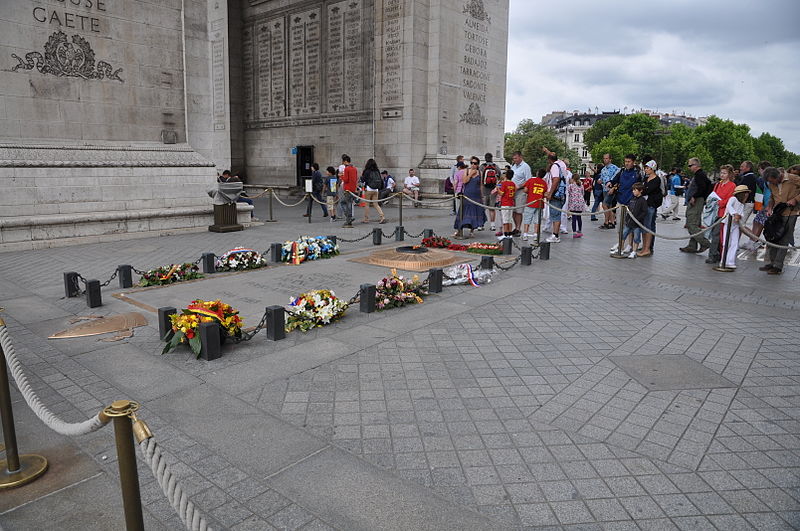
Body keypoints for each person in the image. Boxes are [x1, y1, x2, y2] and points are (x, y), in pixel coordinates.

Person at [759, 166, 800, 275]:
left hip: (791, 212)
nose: (772, 183)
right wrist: (769, 207)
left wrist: (795, 199)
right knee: (772, 237)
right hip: (777, 213)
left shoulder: (793, 178)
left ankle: (778, 266)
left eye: (772, 181)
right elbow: (772, 197)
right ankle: (771, 263)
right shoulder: (771, 183)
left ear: (778, 176)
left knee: (784, 239)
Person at [680, 157, 712, 253]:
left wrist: (695, 196)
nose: (689, 167)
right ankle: (692, 245)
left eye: (690, 165)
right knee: (695, 223)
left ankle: (705, 243)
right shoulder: (700, 175)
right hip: (697, 200)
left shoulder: (699, 175)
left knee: (691, 224)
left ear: (696, 165)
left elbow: (703, 187)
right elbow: (708, 184)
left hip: (696, 201)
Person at [705, 165, 736, 264]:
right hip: (715, 211)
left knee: (716, 234)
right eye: (721, 173)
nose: (722, 175)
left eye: (724, 173)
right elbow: (713, 195)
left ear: (729, 174)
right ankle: (716, 253)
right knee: (715, 233)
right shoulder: (718, 184)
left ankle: (713, 254)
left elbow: (731, 198)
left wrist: (721, 203)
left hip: (723, 212)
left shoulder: (732, 185)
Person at [717, 185, 749, 269]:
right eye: (745, 193)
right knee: (726, 242)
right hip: (728, 223)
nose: (747, 195)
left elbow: (741, 214)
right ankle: (723, 260)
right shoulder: (733, 199)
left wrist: (739, 217)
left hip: (735, 225)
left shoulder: (742, 204)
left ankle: (730, 261)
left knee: (734, 242)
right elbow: (729, 206)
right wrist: (734, 214)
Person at [453, 158, 486, 239]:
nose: (473, 165)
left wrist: (482, 196)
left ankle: (472, 231)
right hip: (467, 195)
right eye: (472, 163)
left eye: (475, 163)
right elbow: (464, 181)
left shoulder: (480, 173)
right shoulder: (466, 171)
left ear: (478, 164)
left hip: (476, 195)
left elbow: (481, 185)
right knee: (463, 212)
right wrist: (470, 174)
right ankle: (459, 230)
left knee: (474, 213)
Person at [611, 182, 646, 259]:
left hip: (637, 223)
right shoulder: (632, 199)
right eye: (633, 190)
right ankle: (620, 249)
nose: (633, 191)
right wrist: (627, 218)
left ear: (640, 191)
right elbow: (629, 209)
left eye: (635, 190)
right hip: (629, 222)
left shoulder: (642, 200)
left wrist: (638, 219)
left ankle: (634, 251)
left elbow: (644, 212)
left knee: (636, 238)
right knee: (623, 236)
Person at [638, 160, 663, 257]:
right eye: (645, 168)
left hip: (651, 204)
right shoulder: (646, 178)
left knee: (647, 226)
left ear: (653, 169)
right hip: (645, 204)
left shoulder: (656, 179)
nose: (646, 170)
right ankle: (645, 246)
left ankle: (647, 248)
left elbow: (647, 190)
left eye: (648, 168)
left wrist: (642, 190)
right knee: (646, 226)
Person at [544, 153, 567, 243]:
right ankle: (555, 233)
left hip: (556, 194)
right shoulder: (562, 164)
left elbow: (556, 179)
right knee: (557, 215)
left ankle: (555, 235)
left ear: (549, 160)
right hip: (562, 194)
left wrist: (550, 193)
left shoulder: (554, 167)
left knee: (555, 215)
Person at [521, 168, 547, 242]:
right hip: (539, 204)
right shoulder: (544, 183)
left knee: (527, 219)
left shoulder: (531, 180)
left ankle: (525, 234)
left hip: (530, 203)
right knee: (537, 220)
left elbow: (525, 190)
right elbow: (545, 193)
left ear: (537, 173)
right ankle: (536, 235)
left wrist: (529, 192)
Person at [491, 169, 517, 240]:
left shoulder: (504, 183)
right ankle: (510, 233)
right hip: (511, 202)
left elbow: (501, 193)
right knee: (510, 219)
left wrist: (497, 188)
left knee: (505, 219)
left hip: (505, 203)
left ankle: (505, 233)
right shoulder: (513, 184)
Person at [360, 159, 386, 224]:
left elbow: (363, 180)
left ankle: (366, 219)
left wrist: (361, 177)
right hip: (376, 189)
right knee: (376, 204)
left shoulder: (367, 171)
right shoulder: (377, 170)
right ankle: (382, 216)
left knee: (367, 204)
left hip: (369, 189)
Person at [479, 153, 500, 231]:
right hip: (493, 190)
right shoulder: (495, 167)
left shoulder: (482, 166)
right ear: (492, 158)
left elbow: (480, 178)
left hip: (484, 189)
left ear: (485, 158)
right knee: (492, 208)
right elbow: (499, 177)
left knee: (483, 208)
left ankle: (481, 225)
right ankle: (493, 225)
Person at [600, 154, 620, 229]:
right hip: (605, 189)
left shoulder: (615, 168)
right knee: (609, 206)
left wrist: (614, 187)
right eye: (604, 158)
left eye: (607, 158)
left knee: (604, 205)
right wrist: (600, 181)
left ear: (610, 159)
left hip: (611, 189)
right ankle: (612, 221)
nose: (605, 160)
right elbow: (602, 179)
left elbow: (618, 178)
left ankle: (606, 222)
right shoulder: (603, 169)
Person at [339, 154, 358, 227]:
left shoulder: (347, 169)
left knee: (344, 202)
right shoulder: (354, 168)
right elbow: (355, 179)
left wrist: (341, 176)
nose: (343, 163)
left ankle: (348, 217)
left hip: (347, 188)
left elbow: (346, 179)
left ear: (346, 161)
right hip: (353, 188)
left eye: (343, 162)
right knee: (349, 203)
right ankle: (349, 217)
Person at [567, 172, 586, 238]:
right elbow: (583, 193)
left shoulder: (571, 186)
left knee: (574, 218)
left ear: (573, 179)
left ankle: (574, 232)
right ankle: (580, 230)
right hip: (580, 203)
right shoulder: (581, 185)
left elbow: (568, 192)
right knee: (579, 217)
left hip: (573, 203)